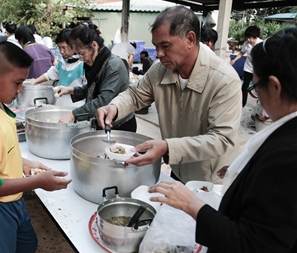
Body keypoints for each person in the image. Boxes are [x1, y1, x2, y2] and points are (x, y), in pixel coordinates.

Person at [148, 27, 297, 253]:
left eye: (255, 87)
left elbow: (252, 243)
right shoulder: (161, 72)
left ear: (275, 87)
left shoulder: (286, 157)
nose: (159, 54)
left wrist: (193, 205)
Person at [96, 6, 242, 184]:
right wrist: (115, 106)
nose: (159, 54)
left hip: (210, 180)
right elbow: (135, 94)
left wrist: (167, 147)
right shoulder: (160, 70)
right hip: (178, 168)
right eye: (156, 46)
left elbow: (222, 139)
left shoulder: (224, 80)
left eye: (165, 46)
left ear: (190, 39)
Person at [0, 41, 71, 252]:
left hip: (12, 199)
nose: (20, 90)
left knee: (27, 244)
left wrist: (24, 163)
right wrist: (36, 182)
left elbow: (0, 150)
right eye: (17, 83)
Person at [55, 24, 136, 131]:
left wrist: (73, 114)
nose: (81, 59)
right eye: (78, 54)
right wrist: (71, 90)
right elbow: (92, 89)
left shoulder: (113, 65)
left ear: (94, 45)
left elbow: (103, 100)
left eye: (82, 53)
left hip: (120, 125)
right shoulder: (96, 62)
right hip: (103, 120)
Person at [31, 28, 86, 107]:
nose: (61, 51)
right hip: (60, 106)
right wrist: (34, 83)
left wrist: (68, 90)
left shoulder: (83, 65)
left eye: (64, 48)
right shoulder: (62, 63)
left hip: (76, 108)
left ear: (74, 46)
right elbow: (49, 75)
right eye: (59, 48)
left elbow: (86, 90)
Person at [230, 25, 263, 107]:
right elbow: (242, 53)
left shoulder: (261, 44)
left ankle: (261, 105)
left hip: (258, 69)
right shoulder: (246, 43)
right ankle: (242, 104)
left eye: (250, 38)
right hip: (248, 68)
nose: (248, 40)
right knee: (245, 86)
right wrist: (234, 60)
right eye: (247, 37)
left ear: (256, 37)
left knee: (260, 87)